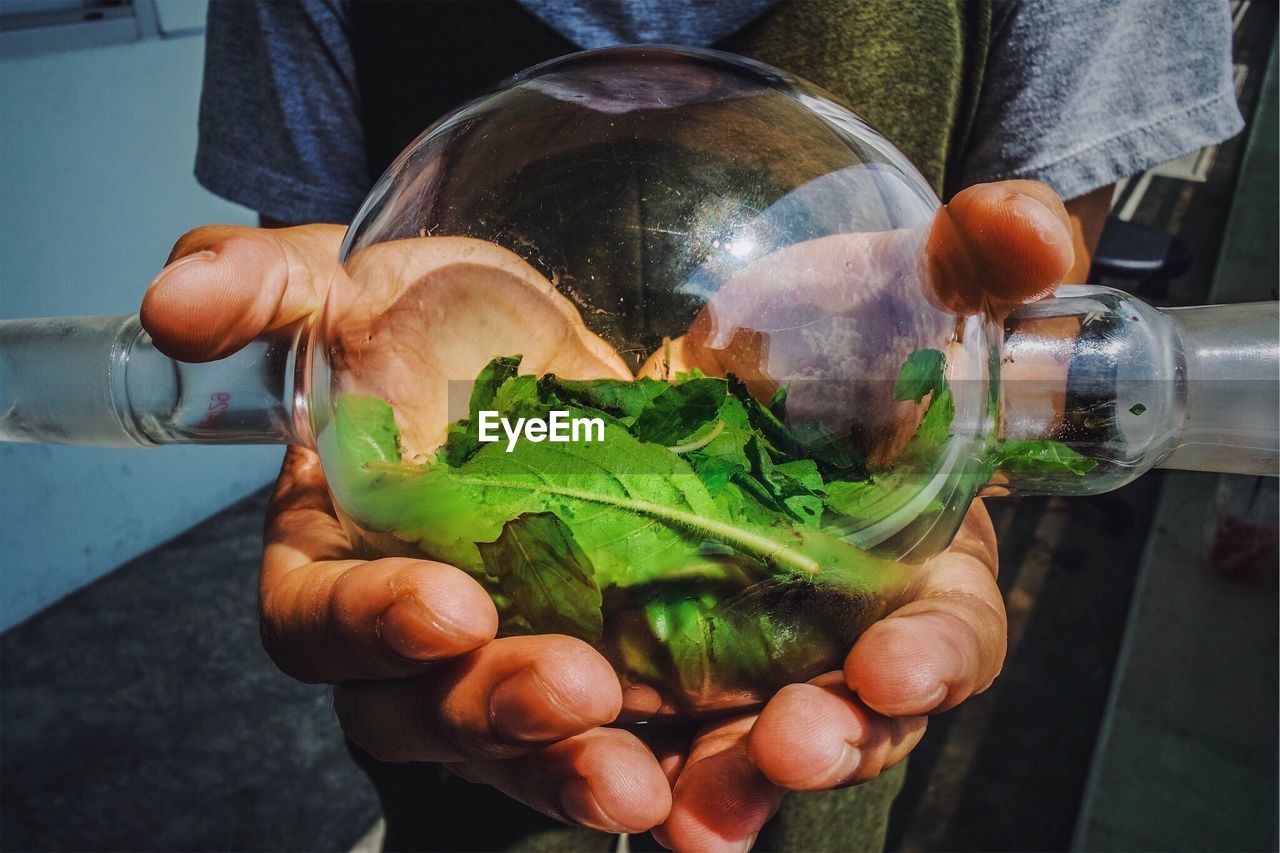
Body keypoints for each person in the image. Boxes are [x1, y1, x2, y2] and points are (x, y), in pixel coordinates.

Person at [142, 2, 1243, 850]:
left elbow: (991, 337)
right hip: (471, 695)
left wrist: (894, 439)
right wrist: (376, 394)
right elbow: (332, 333)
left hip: (815, 695)